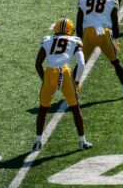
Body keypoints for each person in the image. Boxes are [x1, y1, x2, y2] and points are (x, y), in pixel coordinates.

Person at [33, 17, 91, 152]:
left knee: (43, 109)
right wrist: (76, 82)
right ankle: (82, 141)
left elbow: (38, 63)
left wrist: (45, 79)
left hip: (50, 72)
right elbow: (81, 64)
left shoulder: (47, 40)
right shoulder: (75, 40)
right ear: (71, 30)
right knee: (75, 108)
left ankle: (37, 142)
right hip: (65, 73)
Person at [77, 0, 123, 98]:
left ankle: (73, 91)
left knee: (81, 63)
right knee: (116, 62)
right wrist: (115, 39)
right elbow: (115, 22)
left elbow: (79, 22)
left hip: (88, 32)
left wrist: (80, 39)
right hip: (103, 32)